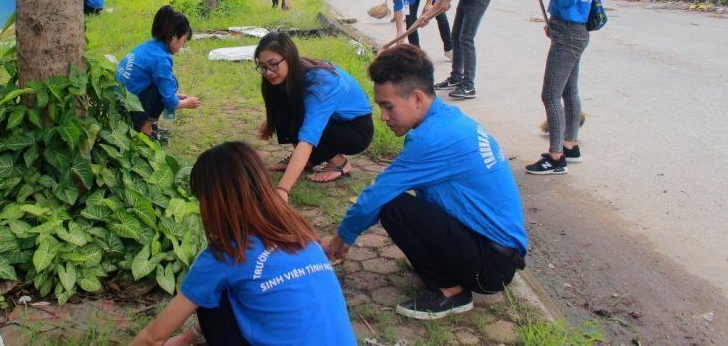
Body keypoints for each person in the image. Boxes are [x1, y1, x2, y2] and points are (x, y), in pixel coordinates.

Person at [322, 45, 527, 321]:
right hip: (497, 254)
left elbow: (376, 195)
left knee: (392, 204)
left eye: (388, 106)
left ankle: (452, 293)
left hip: (491, 266)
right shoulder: (447, 120)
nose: (383, 117)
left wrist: (340, 240)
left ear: (417, 98)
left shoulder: (434, 138)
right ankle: (449, 271)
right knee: (407, 202)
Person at [131, 142, 357, 346]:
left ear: (211, 202)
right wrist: (185, 339)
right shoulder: (300, 231)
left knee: (212, 293)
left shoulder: (227, 253)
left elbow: (152, 338)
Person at [524, 0, 597, 175]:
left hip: (570, 34)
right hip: (568, 30)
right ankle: (570, 145)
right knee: (568, 91)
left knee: (550, 94)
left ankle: (555, 157)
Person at [255, 32, 373, 189]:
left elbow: (308, 137)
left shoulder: (319, 84)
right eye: (262, 67)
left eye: (273, 64)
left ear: (288, 58)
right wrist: (272, 120)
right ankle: (310, 160)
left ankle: (340, 164)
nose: (268, 72)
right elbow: (281, 102)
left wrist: (283, 189)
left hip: (356, 131)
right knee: (285, 111)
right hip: (336, 122)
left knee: (301, 121)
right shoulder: (295, 71)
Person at [403, 0, 491, 100]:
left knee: (466, 37)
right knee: (455, 36)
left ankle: (469, 86)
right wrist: (427, 16)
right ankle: (456, 78)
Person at [116, 5, 201, 140]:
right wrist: (186, 103)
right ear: (174, 37)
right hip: (127, 109)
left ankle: (144, 123)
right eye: (183, 41)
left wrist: (174, 96)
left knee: (170, 83)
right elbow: (169, 102)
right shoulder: (161, 59)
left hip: (118, 102)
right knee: (170, 84)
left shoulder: (148, 45)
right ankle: (145, 128)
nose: (181, 47)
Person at [382, 0, 446, 60]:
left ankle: (449, 48)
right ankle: (417, 55)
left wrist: (429, 3)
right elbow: (398, 5)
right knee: (410, 21)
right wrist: (399, 32)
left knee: (440, 15)